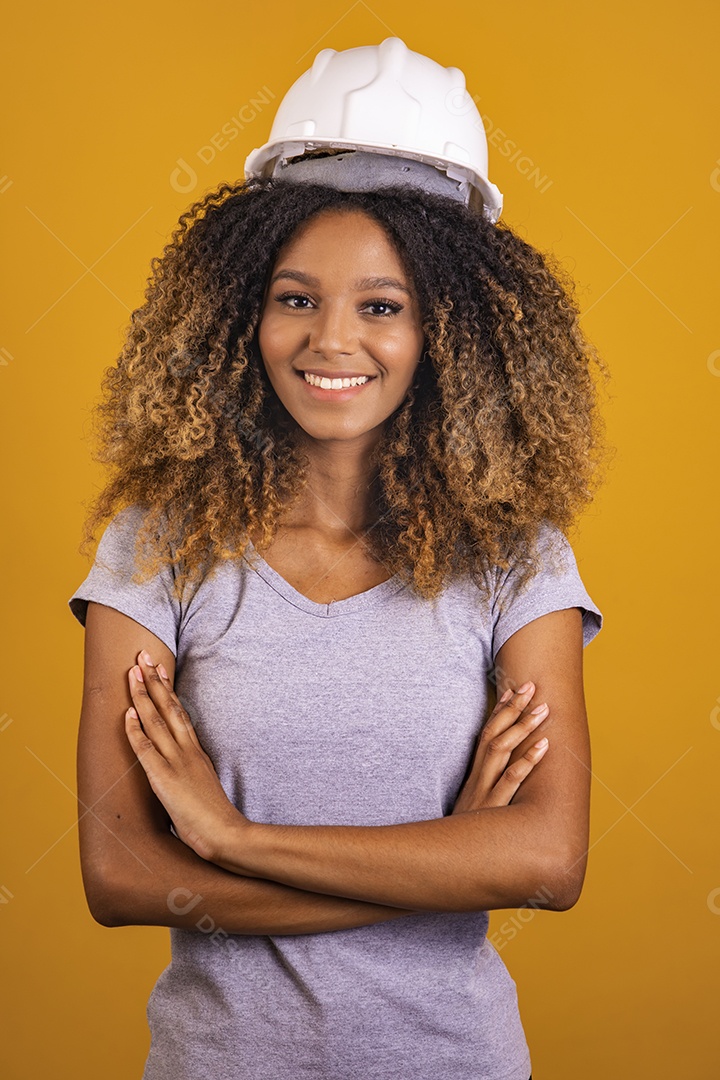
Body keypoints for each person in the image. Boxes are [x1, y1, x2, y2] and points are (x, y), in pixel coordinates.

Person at [67, 37, 608, 1080]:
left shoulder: (516, 560)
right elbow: (124, 874)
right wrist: (444, 858)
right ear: (241, 312)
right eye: (297, 297)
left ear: (447, 332)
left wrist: (229, 840)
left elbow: (547, 859)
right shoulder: (159, 547)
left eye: (383, 306)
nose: (332, 341)